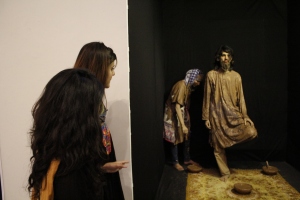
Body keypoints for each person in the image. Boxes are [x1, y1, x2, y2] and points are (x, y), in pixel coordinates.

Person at [28, 68, 127, 200]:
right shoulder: (70, 179)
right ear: (81, 118)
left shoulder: (59, 156)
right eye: (94, 110)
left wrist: (100, 168)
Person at [73, 42, 128, 199]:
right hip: (92, 171)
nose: (113, 74)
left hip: (100, 161)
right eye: (111, 69)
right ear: (98, 69)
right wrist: (98, 167)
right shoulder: (81, 98)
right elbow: (75, 147)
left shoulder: (92, 95)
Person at [202, 45, 258, 181]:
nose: (226, 58)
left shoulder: (236, 76)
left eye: (228, 56)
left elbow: (241, 99)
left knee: (251, 132)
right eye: (223, 55)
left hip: (233, 115)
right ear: (218, 58)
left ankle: (228, 142)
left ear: (231, 59)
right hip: (216, 116)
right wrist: (206, 117)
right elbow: (207, 97)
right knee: (217, 146)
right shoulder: (211, 75)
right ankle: (225, 173)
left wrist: (245, 116)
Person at [163, 69, 204, 171]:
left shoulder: (188, 87)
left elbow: (184, 105)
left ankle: (186, 159)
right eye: (197, 80)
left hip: (182, 113)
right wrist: (183, 125)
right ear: (192, 78)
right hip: (172, 115)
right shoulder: (181, 85)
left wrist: (186, 120)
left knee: (186, 134)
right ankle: (175, 161)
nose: (198, 83)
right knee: (175, 137)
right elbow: (177, 107)